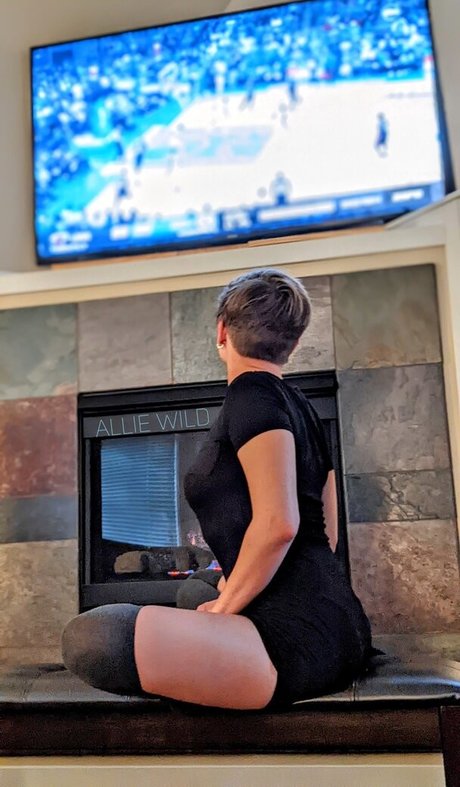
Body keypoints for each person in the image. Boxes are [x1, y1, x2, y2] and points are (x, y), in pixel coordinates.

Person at [62, 268, 372, 709]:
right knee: (197, 591)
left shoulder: (252, 394)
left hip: (294, 642)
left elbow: (279, 524)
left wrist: (224, 612)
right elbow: (328, 535)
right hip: (343, 621)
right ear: (295, 342)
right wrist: (226, 591)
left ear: (222, 330)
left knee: (91, 638)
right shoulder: (301, 405)